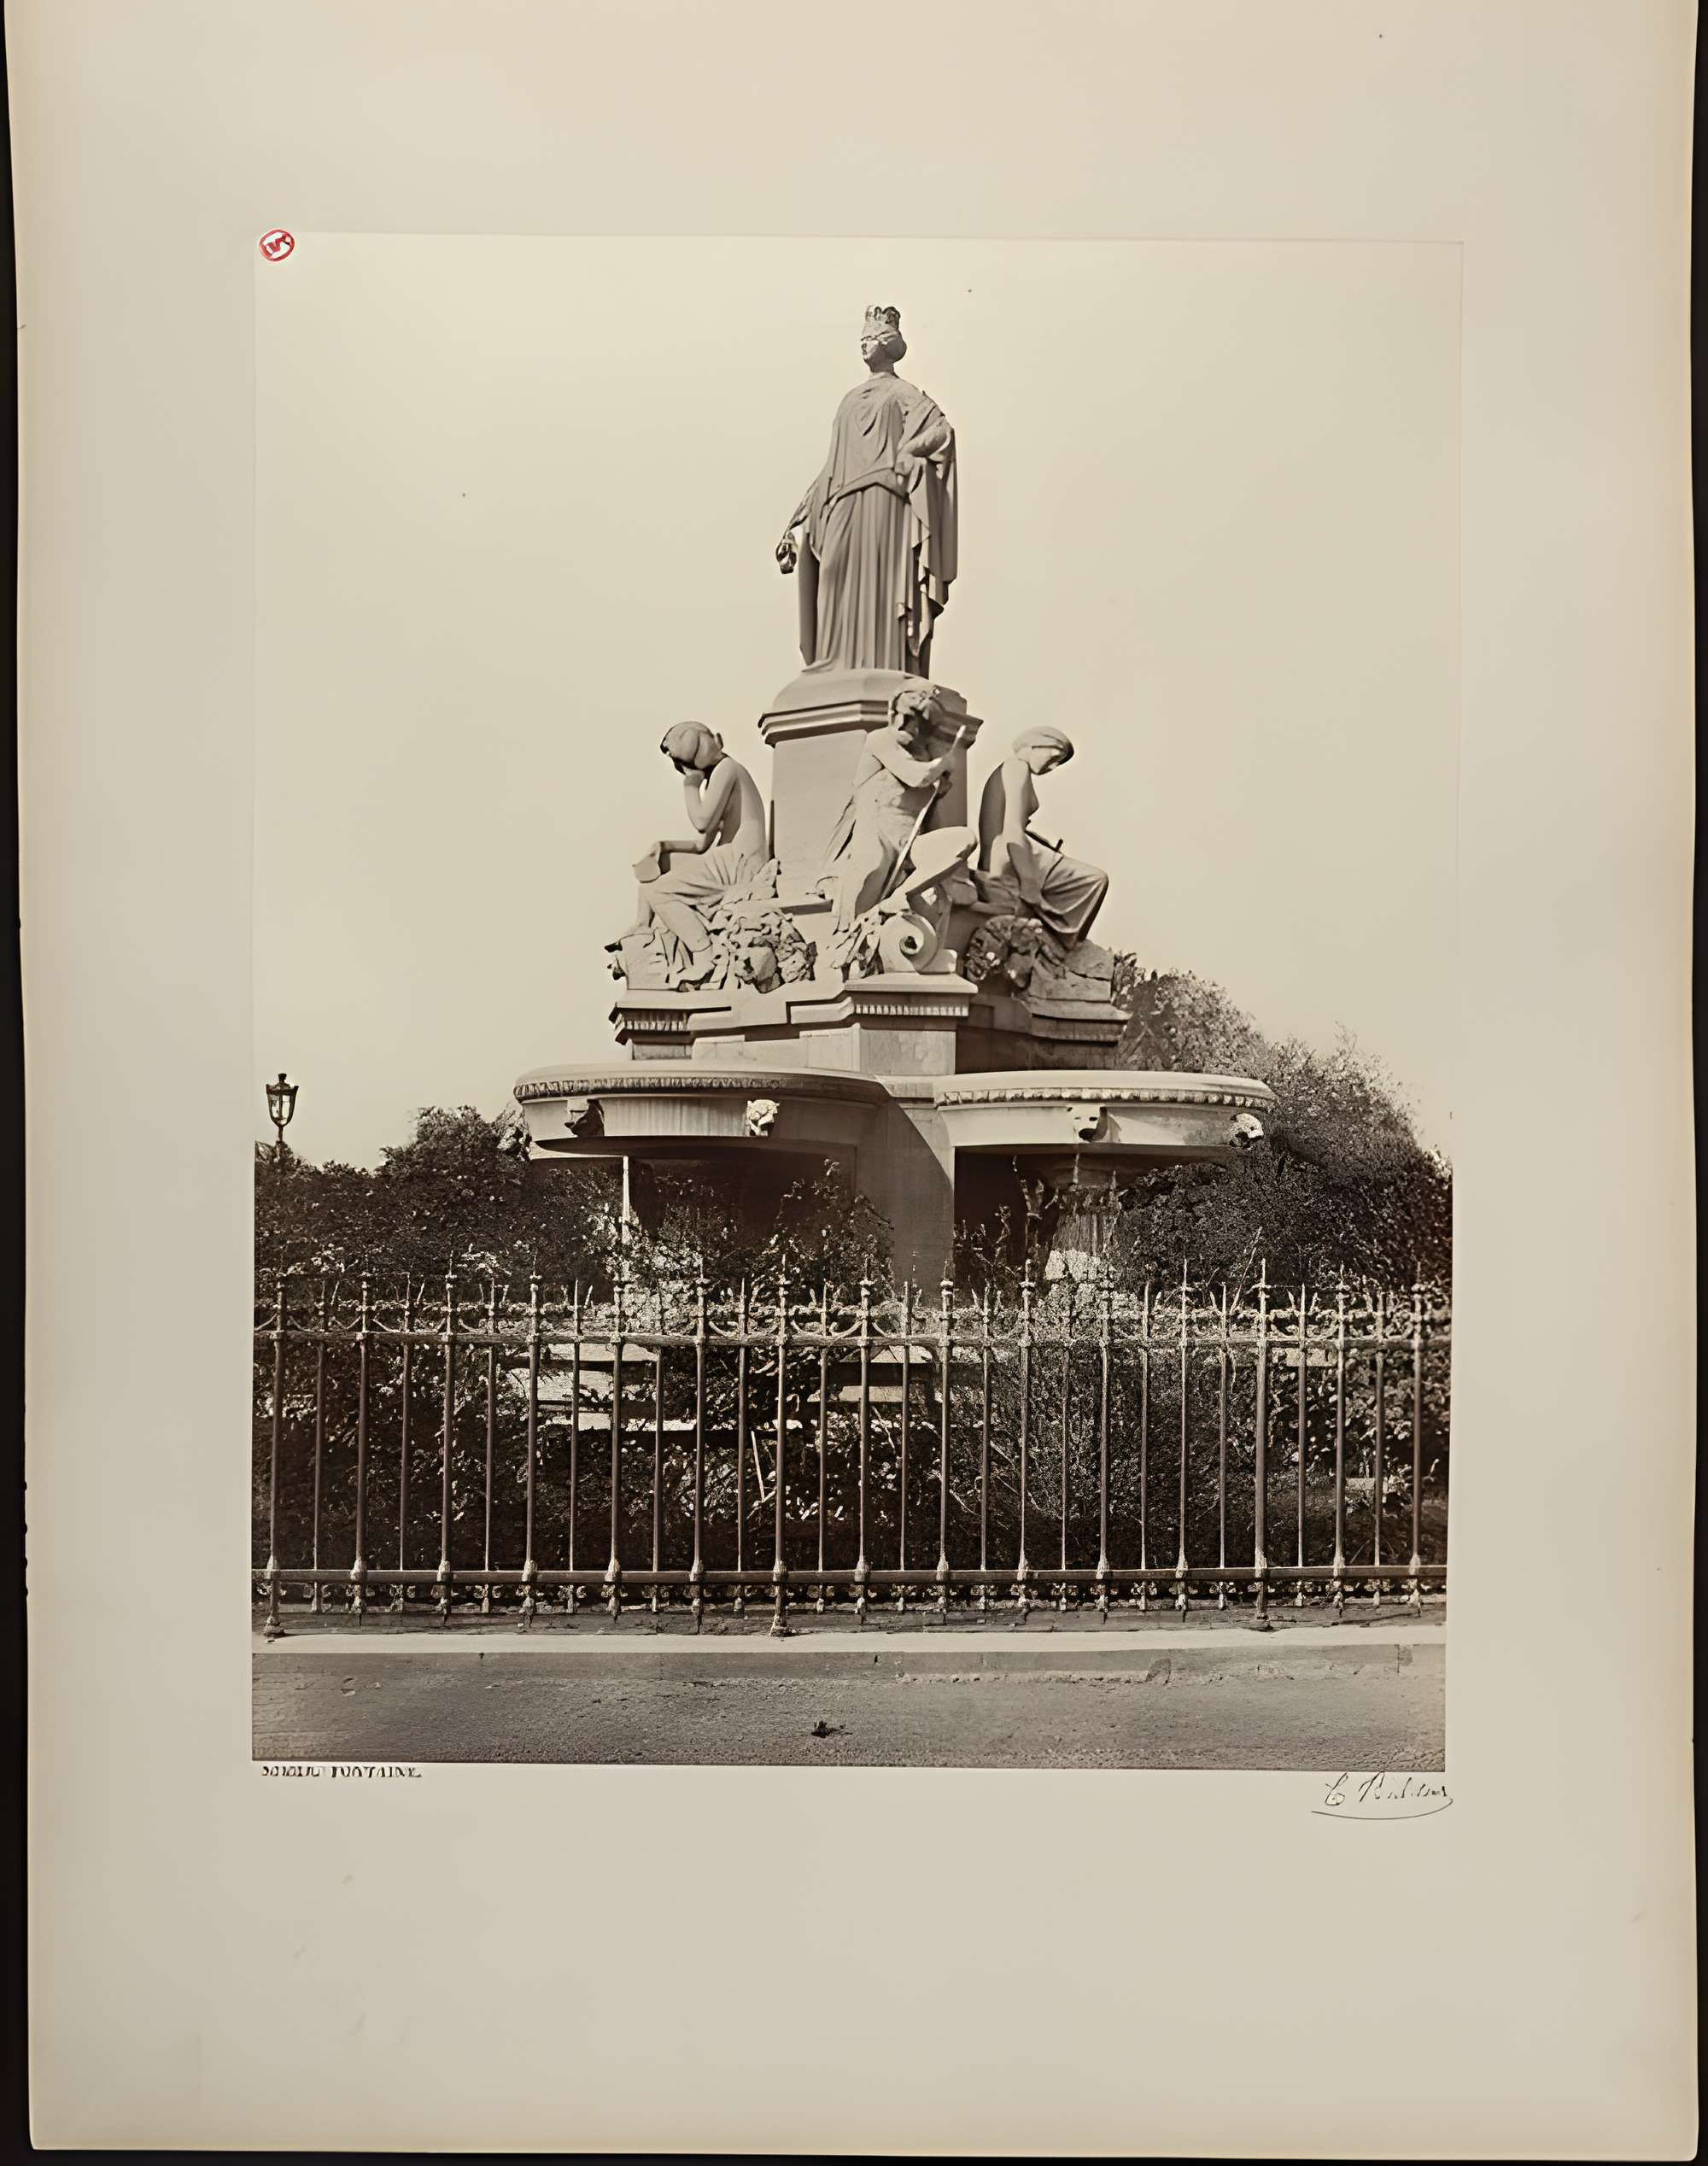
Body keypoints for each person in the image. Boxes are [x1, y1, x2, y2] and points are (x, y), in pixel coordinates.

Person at [775, 305, 957, 676]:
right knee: (832, 576)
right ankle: (833, 664)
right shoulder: (848, 400)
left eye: (872, 338)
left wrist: (910, 449)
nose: (865, 345)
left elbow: (942, 431)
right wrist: (794, 523)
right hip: (841, 502)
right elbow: (831, 466)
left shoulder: (902, 393)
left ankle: (884, 664)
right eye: (862, 339)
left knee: (881, 582)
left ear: (889, 345)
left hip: (883, 500)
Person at [611, 723, 767, 983]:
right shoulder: (723, 772)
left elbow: (703, 822)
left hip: (741, 862)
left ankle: (704, 954)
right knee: (658, 870)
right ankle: (641, 928)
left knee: (657, 891)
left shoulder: (727, 770)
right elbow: (701, 844)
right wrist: (666, 847)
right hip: (729, 856)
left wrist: (690, 786)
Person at [818, 683, 953, 934]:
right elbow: (915, 776)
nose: (905, 724)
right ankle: (849, 939)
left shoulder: (924, 752)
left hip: (909, 838)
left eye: (915, 720)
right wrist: (940, 764)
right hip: (877, 833)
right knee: (870, 869)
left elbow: (928, 802)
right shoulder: (880, 739)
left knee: (936, 897)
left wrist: (940, 784)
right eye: (903, 716)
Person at [975, 727, 1109, 949]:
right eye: (1055, 757)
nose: (1054, 766)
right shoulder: (1016, 767)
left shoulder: (1011, 769)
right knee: (1095, 879)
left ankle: (1061, 943)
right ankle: (1066, 945)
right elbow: (1011, 829)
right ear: (1034, 745)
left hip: (1009, 852)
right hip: (1007, 856)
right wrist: (1029, 882)